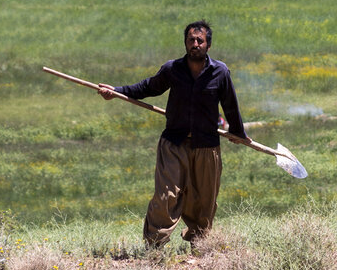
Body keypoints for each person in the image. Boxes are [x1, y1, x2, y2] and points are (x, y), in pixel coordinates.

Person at [98, 20, 251, 248]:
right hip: (174, 143)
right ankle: (154, 246)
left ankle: (199, 245)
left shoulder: (220, 72)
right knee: (165, 197)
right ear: (185, 43)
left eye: (200, 40)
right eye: (191, 40)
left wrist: (238, 133)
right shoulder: (173, 69)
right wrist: (117, 91)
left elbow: (230, 105)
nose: (195, 44)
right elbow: (148, 87)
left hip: (207, 146)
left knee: (204, 201)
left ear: (208, 45)